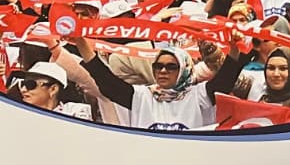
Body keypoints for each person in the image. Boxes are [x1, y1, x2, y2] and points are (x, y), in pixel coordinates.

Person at [73, 36, 245, 131]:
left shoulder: (198, 95)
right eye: (158, 66)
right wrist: (82, 44)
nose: (163, 71)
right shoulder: (141, 96)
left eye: (171, 67)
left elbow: (225, 81)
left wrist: (234, 49)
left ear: (184, 69)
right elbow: (107, 83)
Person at [4, 61, 91, 119]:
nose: (23, 89)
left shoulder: (73, 112)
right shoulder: (18, 112)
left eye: (30, 84)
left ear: (53, 89)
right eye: (22, 83)